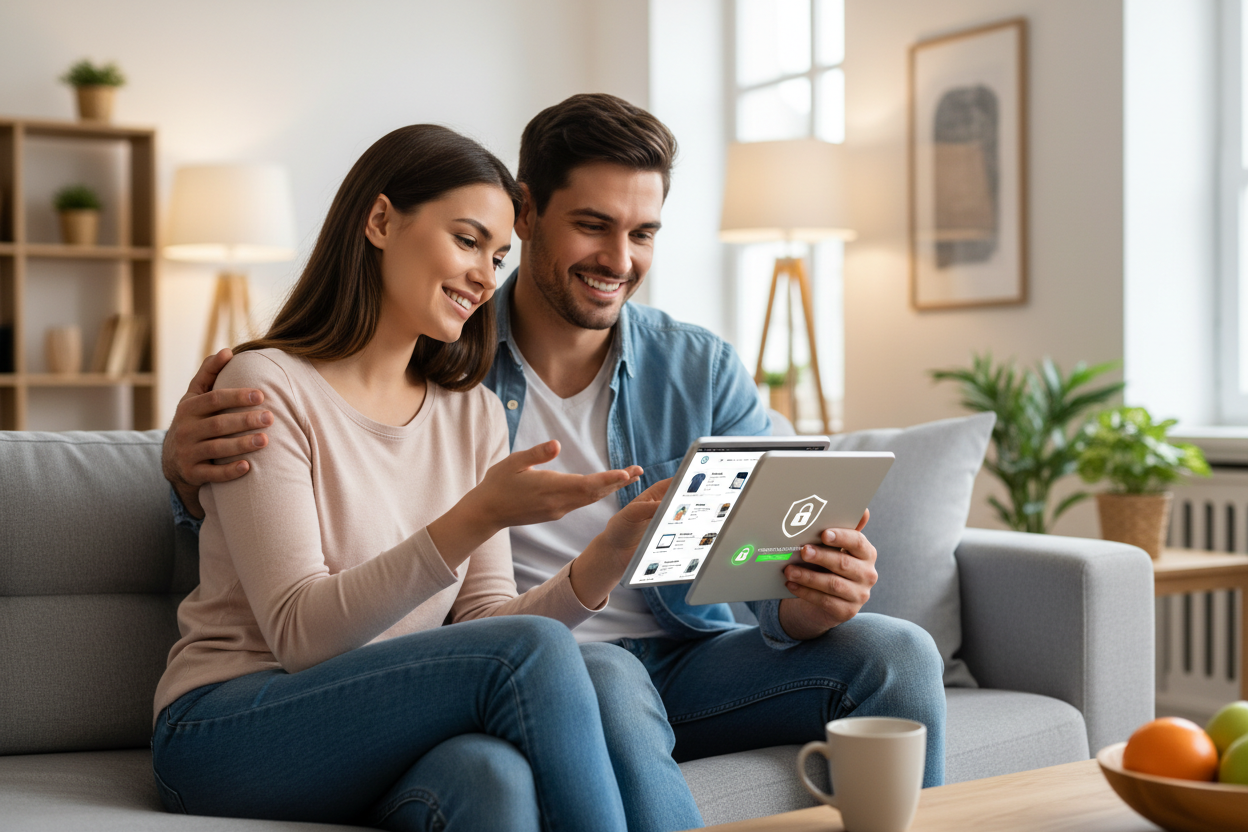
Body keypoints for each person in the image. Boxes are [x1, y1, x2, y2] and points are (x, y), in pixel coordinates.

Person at [164, 95, 947, 793]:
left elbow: (768, 571)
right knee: (588, 674)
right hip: (551, 664)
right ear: (529, 209)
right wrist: (182, 476)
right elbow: (304, 534)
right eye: (593, 225)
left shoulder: (691, 365)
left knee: (899, 653)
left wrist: (810, 601)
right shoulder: (450, 357)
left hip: (684, 653)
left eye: (643, 232)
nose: (620, 259)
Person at [151, 123, 704, 832]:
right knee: (540, 654)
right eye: (468, 241)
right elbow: (299, 633)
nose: (485, 275)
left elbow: (482, 622)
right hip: (230, 724)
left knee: (493, 778)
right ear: (381, 221)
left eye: (499, 256)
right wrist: (476, 515)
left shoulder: (472, 413)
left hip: (379, 719)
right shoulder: (266, 386)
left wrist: (603, 560)